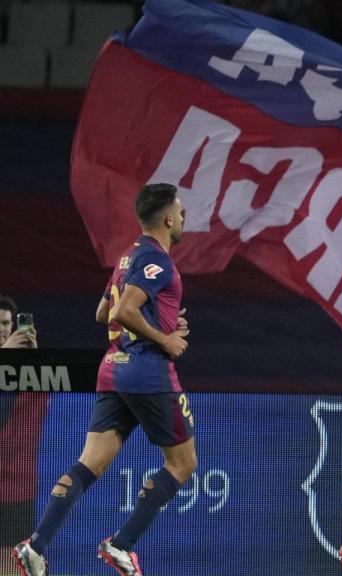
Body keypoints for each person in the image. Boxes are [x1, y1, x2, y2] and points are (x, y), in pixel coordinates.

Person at [12, 183, 195, 576]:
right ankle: (121, 545)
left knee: (88, 464)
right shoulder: (158, 261)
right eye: (179, 212)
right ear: (166, 218)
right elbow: (125, 311)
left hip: (113, 370)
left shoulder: (127, 258)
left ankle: (36, 545)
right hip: (148, 372)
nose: (182, 218)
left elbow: (103, 313)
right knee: (182, 463)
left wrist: (158, 321)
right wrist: (165, 338)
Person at [0, 295, 47, 576]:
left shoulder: (33, 372)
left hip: (18, 491)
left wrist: (35, 359)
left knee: (16, 568)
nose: (3, 329)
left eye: (7, 323)